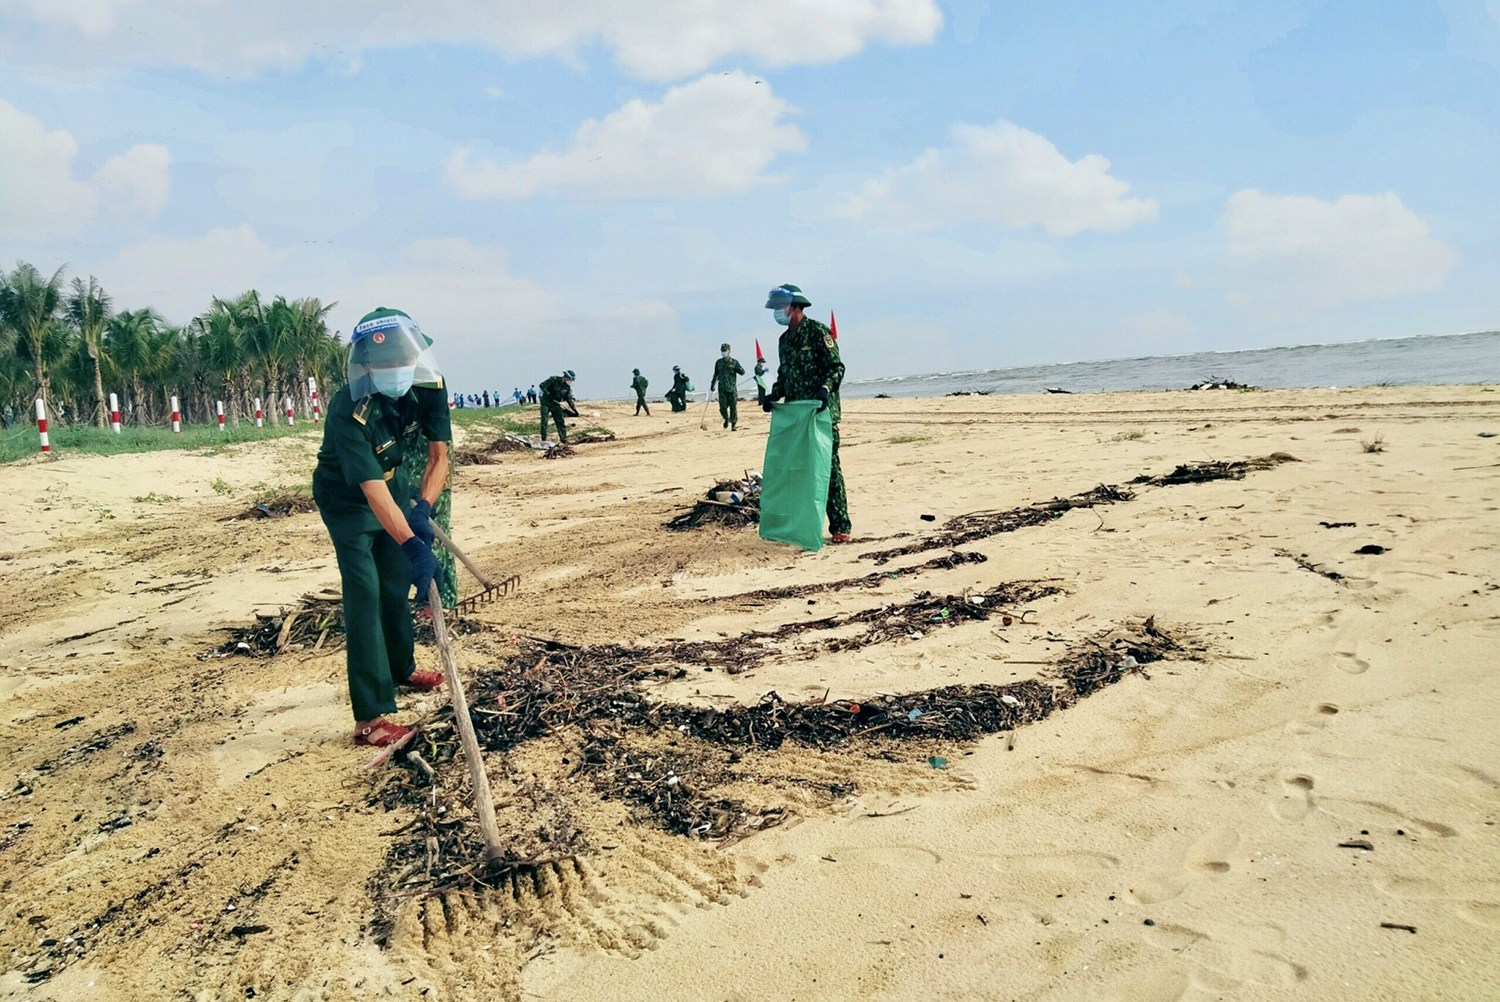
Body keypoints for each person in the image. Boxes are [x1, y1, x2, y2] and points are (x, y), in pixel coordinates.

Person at [312, 307, 449, 747]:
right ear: (366, 366)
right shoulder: (348, 408)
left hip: (394, 489)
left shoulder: (429, 387)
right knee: (366, 593)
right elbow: (370, 492)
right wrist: (414, 547)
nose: (394, 370)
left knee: (393, 585)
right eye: (383, 363)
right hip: (348, 501)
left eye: (400, 360)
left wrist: (423, 510)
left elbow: (438, 458)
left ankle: (400, 669)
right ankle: (369, 718)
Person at [762, 284, 851, 542]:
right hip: (796, 416)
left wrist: (825, 389)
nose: (778, 312)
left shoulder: (819, 332)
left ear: (796, 307)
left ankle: (840, 526)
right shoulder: (784, 341)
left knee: (828, 468)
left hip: (821, 414)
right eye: (776, 308)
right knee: (797, 469)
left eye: (781, 307)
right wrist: (774, 394)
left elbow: (836, 367)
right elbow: (784, 375)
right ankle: (797, 524)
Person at [710, 342, 746, 430]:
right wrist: (712, 384)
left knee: (733, 407)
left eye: (725, 351)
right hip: (722, 388)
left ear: (729, 351)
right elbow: (716, 374)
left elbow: (742, 372)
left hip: (732, 388)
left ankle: (733, 424)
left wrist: (736, 368)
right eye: (722, 351)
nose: (723, 352)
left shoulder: (734, 362)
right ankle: (726, 418)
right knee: (722, 407)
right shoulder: (718, 363)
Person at [539, 369, 580, 443]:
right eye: (569, 379)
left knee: (560, 421)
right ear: (566, 377)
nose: (570, 381)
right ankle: (544, 440)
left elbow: (569, 399)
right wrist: (548, 394)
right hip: (546, 403)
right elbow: (542, 385)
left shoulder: (567, 388)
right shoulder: (554, 379)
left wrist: (575, 410)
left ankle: (563, 439)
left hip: (556, 404)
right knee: (544, 421)